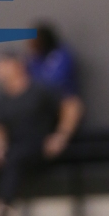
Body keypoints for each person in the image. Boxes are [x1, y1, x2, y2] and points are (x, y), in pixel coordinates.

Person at [0, 52, 76, 216]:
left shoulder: (40, 89)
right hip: (15, 149)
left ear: (17, 65)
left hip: (41, 147)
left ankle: (3, 213)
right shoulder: (1, 99)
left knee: (15, 157)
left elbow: (72, 106)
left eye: (3, 65)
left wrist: (61, 135)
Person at [27, 23, 84, 153]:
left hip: (60, 104)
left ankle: (60, 138)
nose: (32, 45)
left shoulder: (61, 55)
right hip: (38, 109)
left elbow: (55, 82)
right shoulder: (33, 59)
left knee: (72, 105)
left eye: (35, 40)